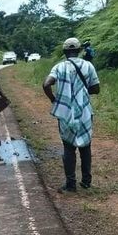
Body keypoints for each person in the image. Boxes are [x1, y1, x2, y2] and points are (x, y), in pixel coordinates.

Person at [42, 37, 100, 193]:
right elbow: (96, 88)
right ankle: (86, 181)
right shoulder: (88, 66)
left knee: (68, 147)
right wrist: (82, 90)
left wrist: (55, 100)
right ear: (79, 50)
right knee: (85, 146)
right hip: (85, 112)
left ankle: (71, 184)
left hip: (66, 113)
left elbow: (46, 84)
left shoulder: (59, 67)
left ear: (64, 52)